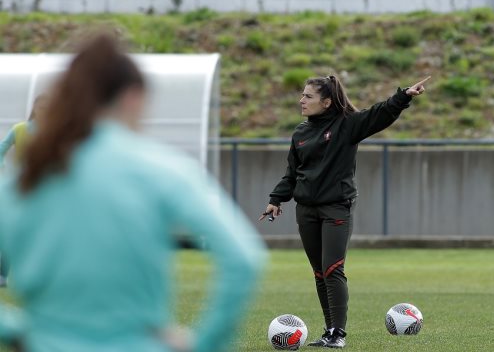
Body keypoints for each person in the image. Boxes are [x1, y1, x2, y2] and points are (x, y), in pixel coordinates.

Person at [0, 33, 265, 352]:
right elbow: (244, 259)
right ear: (133, 97)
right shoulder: (160, 167)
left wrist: (18, 331)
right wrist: (204, 345)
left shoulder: (24, 178)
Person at [260, 75, 430, 348]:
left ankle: (338, 334)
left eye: (308, 96)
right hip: (306, 211)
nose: (301, 100)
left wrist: (404, 96)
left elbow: (379, 114)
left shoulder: (346, 126)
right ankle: (328, 331)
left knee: (333, 269)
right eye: (302, 95)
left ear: (326, 102)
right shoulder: (300, 133)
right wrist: (276, 199)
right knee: (319, 273)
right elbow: (292, 173)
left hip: (336, 207)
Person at [0, 94, 49, 287]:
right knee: (10, 230)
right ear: (35, 108)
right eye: (42, 106)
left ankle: (37, 275)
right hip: (19, 187)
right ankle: (3, 274)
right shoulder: (19, 129)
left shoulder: (55, 132)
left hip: (45, 189)